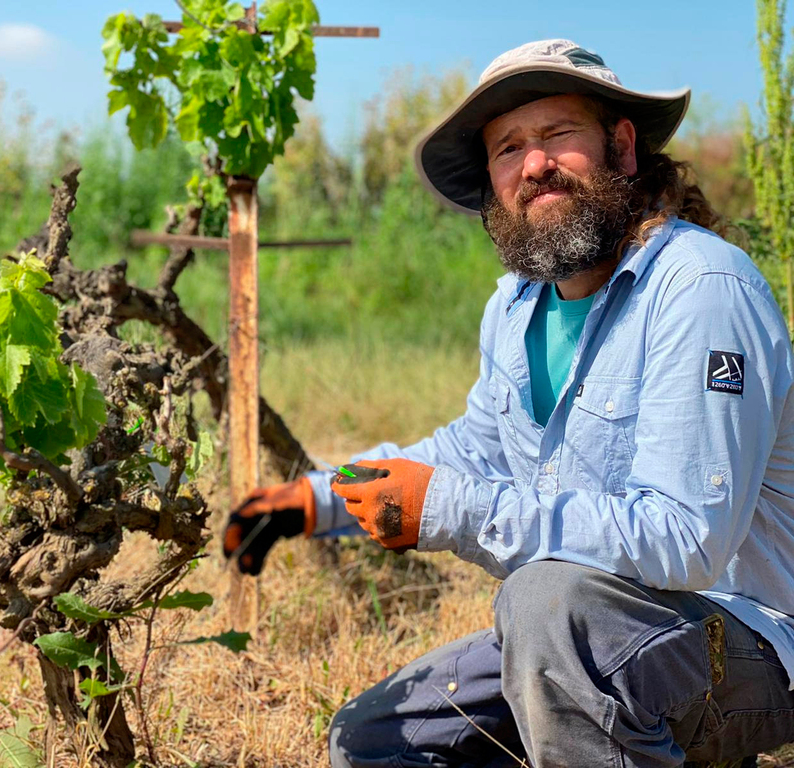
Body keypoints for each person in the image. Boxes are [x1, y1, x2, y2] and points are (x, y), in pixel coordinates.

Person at [223, 39, 794, 767]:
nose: (534, 164)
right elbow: (473, 450)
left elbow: (688, 540)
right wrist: (319, 499)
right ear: (493, 185)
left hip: (750, 644)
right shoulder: (517, 306)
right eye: (509, 148)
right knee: (372, 742)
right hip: (584, 636)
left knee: (544, 603)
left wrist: (450, 510)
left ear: (622, 148)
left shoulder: (701, 287)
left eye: (559, 135)